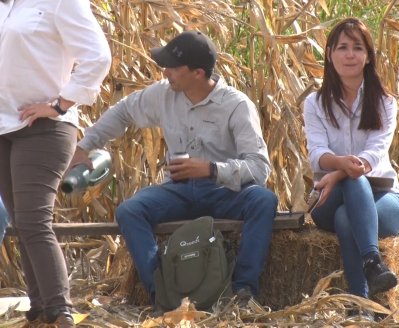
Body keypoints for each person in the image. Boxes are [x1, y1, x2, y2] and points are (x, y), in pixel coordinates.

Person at [68, 31, 278, 309]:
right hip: (178, 190)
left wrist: (210, 169)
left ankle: (242, 293)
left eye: (172, 67)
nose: (164, 71)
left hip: (223, 191)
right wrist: (85, 146)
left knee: (264, 201)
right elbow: (123, 111)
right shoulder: (164, 94)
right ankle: (162, 295)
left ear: (198, 73)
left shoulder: (236, 105)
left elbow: (259, 168)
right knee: (130, 211)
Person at [0, 0, 112, 326]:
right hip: (3, 127)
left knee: (34, 221)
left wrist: (61, 105)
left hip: (45, 129)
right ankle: (40, 309)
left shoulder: (61, 2)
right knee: (22, 222)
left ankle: (61, 311)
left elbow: (98, 55)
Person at [303, 18, 399, 302]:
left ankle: (358, 300)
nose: (350, 55)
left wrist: (338, 171)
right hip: (329, 197)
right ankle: (372, 264)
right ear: (329, 54)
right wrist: (341, 169)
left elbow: (375, 152)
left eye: (357, 48)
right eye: (343, 47)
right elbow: (316, 155)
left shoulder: (385, 102)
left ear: (368, 57)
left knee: (346, 218)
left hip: (384, 196)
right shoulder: (315, 103)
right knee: (349, 189)